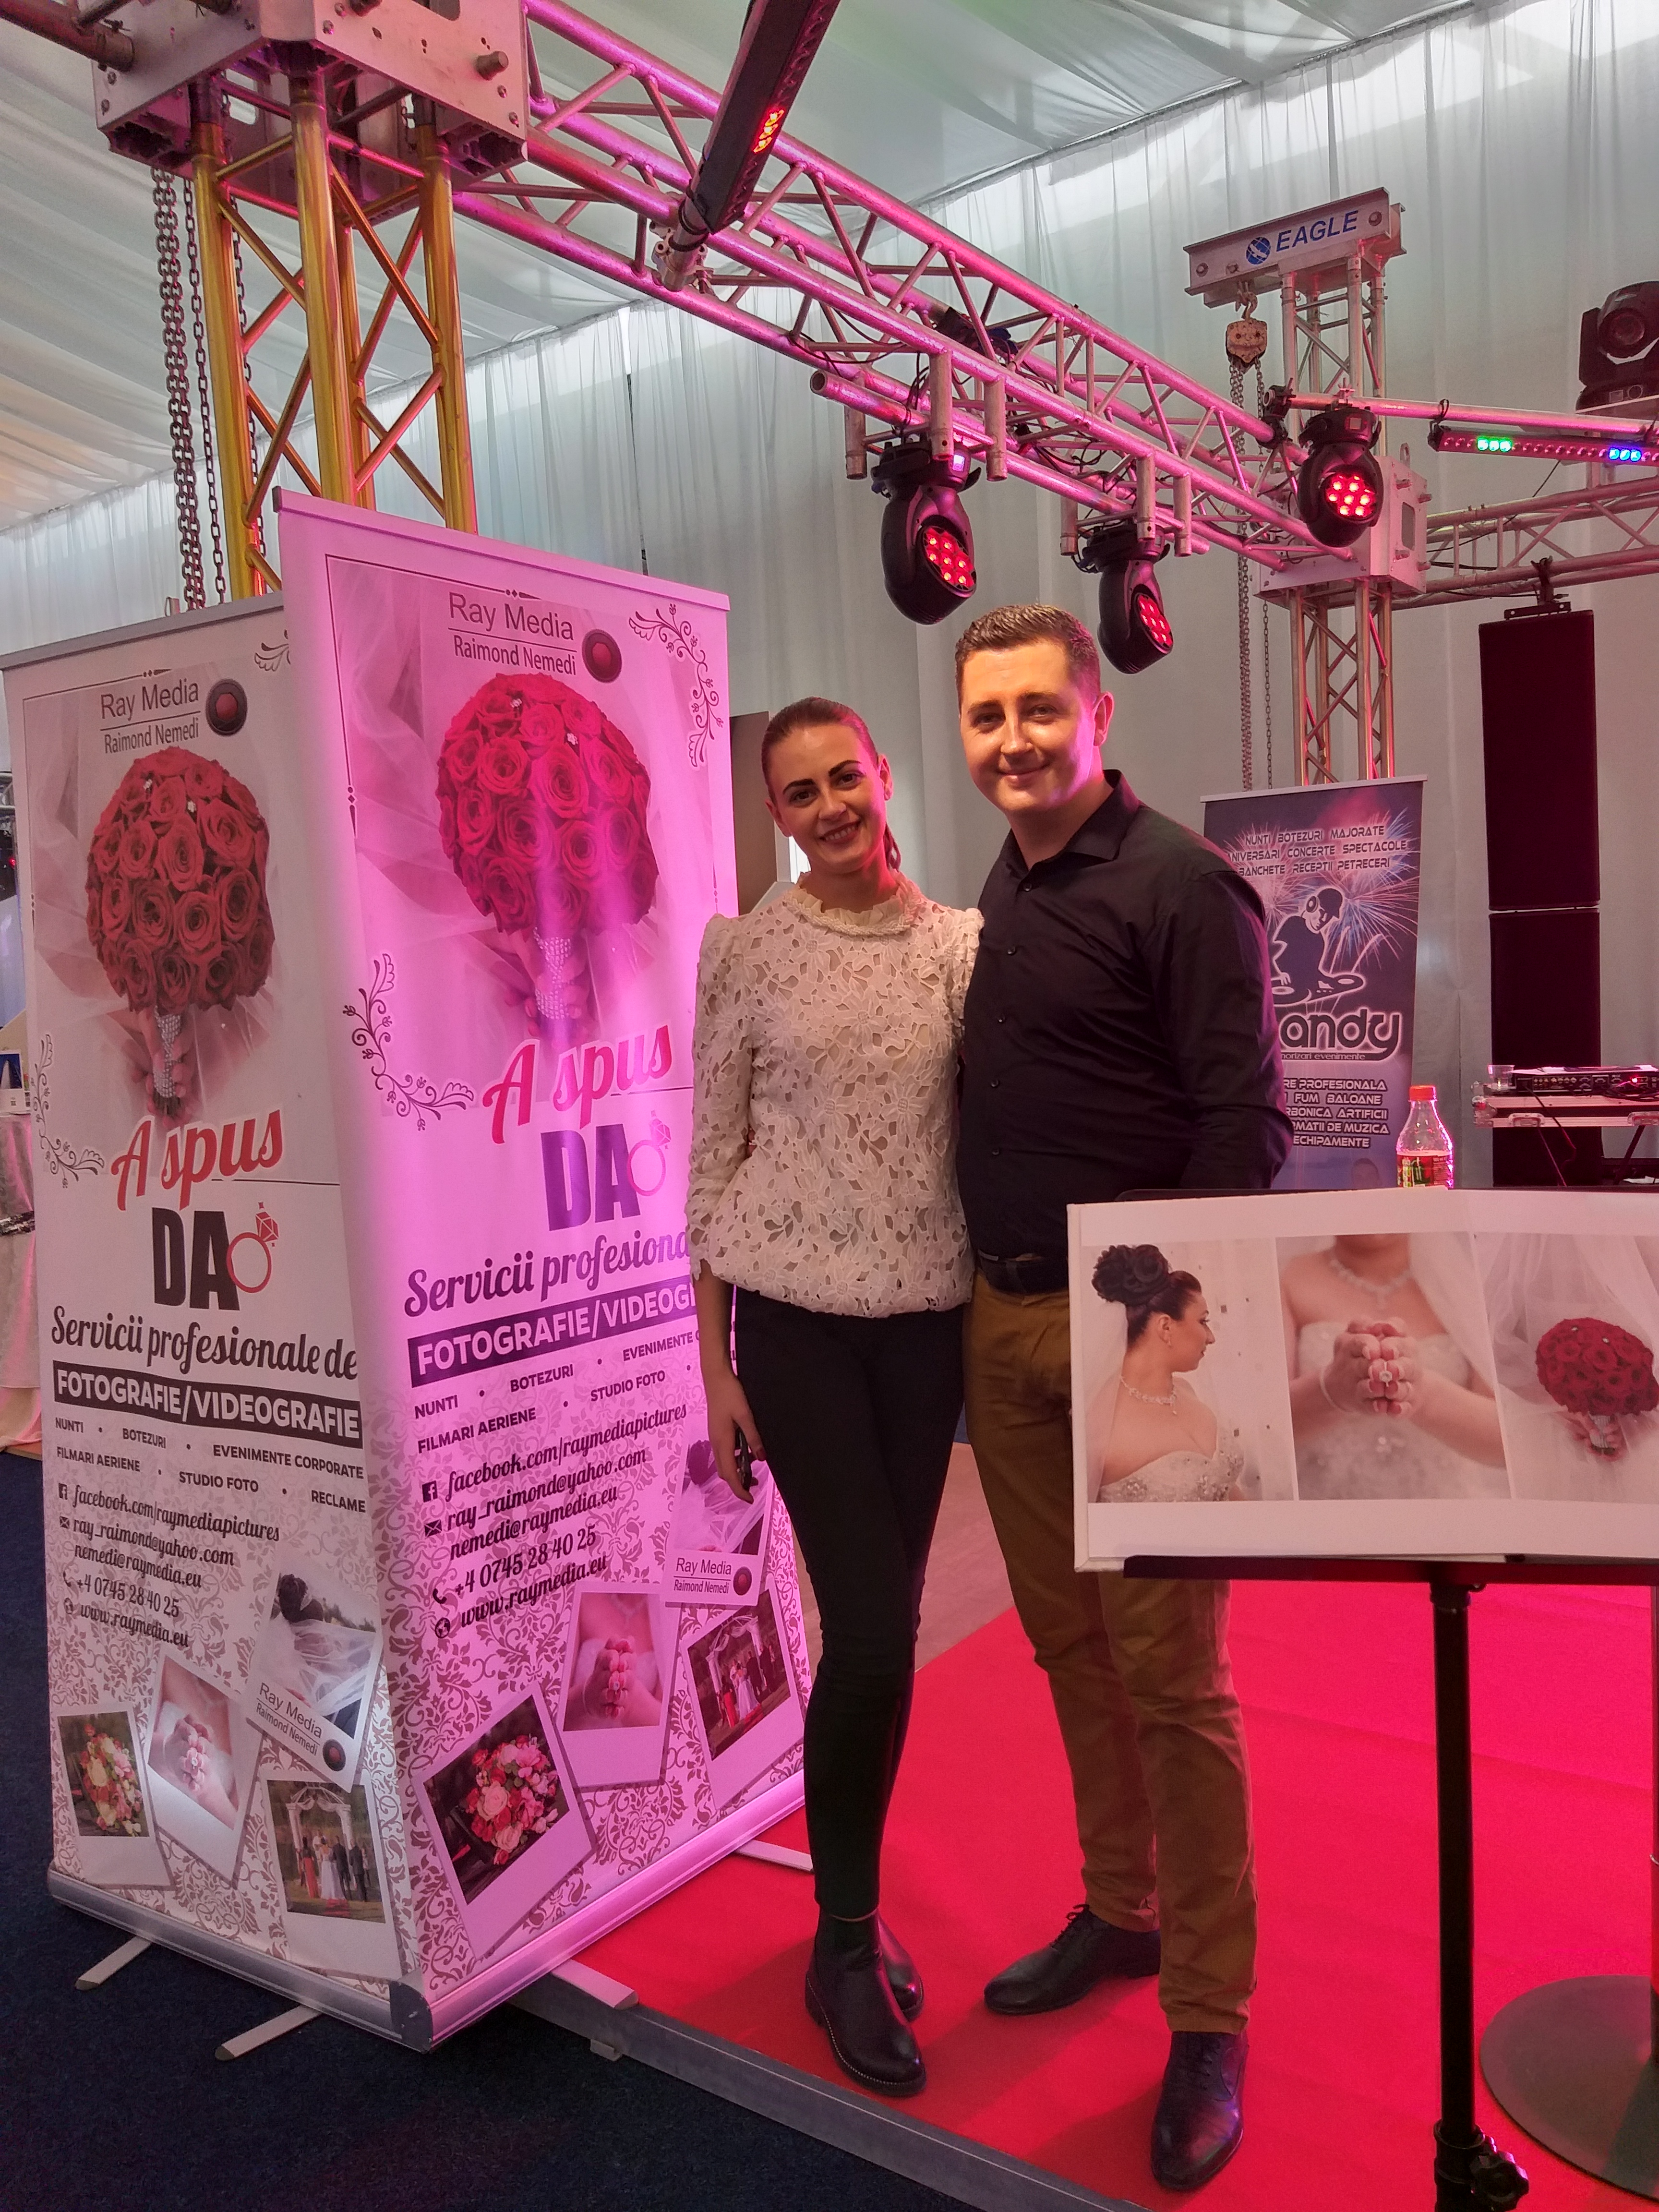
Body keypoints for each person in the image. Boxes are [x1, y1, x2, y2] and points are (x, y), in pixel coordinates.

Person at [954, 604, 1291, 2193]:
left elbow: (1245, 1125)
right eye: (985, 717)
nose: (1012, 740)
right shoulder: (1003, 888)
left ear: (1095, 715)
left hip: (1129, 1338)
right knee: (1067, 1646)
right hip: (1004, 1322)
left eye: (1037, 709)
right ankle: (1119, 1907)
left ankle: (1209, 2013)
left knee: (1174, 1682)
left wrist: (1167, 1334)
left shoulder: (1179, 882)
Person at [689, 694, 980, 2098]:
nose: (827, 808)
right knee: (866, 1631)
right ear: (776, 814)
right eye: (798, 793)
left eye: (842, 780)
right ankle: (843, 1941)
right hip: (794, 1337)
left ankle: (848, 1918)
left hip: (925, 1336)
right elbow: (712, 1160)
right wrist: (713, 1368)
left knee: (890, 1630)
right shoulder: (744, 952)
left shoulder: (960, 950)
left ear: (881, 779)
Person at [1281, 1234, 1505, 1498]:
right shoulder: (1287, 1278)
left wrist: (1422, 1393)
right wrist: (1330, 1390)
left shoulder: (1467, 1283)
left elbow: (1506, 1443)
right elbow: (1263, 1431)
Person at [1091, 1246, 1242, 1503]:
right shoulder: (1102, 1426)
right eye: (1203, 1321)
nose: (1211, 1338)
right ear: (1165, 1327)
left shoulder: (1185, 1390)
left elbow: (1228, 1490)